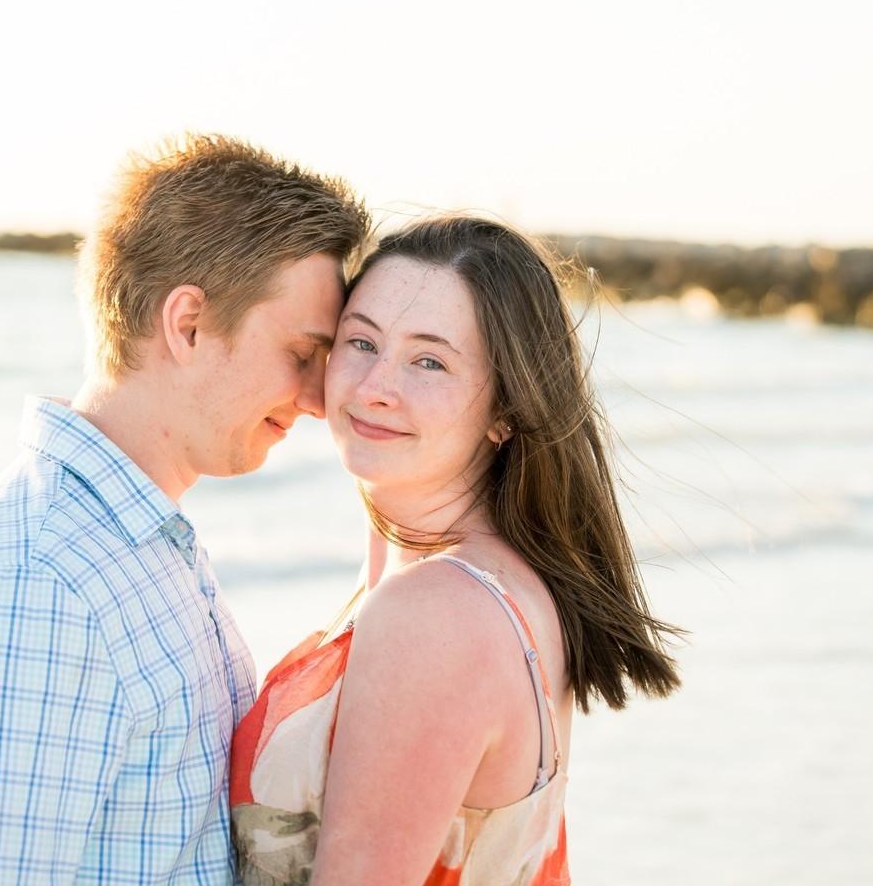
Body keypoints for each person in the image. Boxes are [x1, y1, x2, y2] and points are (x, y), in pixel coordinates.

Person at [0, 135, 370, 885]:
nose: (312, 396)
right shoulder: (33, 585)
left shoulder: (134, 544)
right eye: (303, 352)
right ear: (187, 324)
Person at [229, 215, 682, 885]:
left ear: (506, 409)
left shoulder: (435, 613)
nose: (375, 385)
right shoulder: (477, 582)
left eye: (429, 360)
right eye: (360, 342)